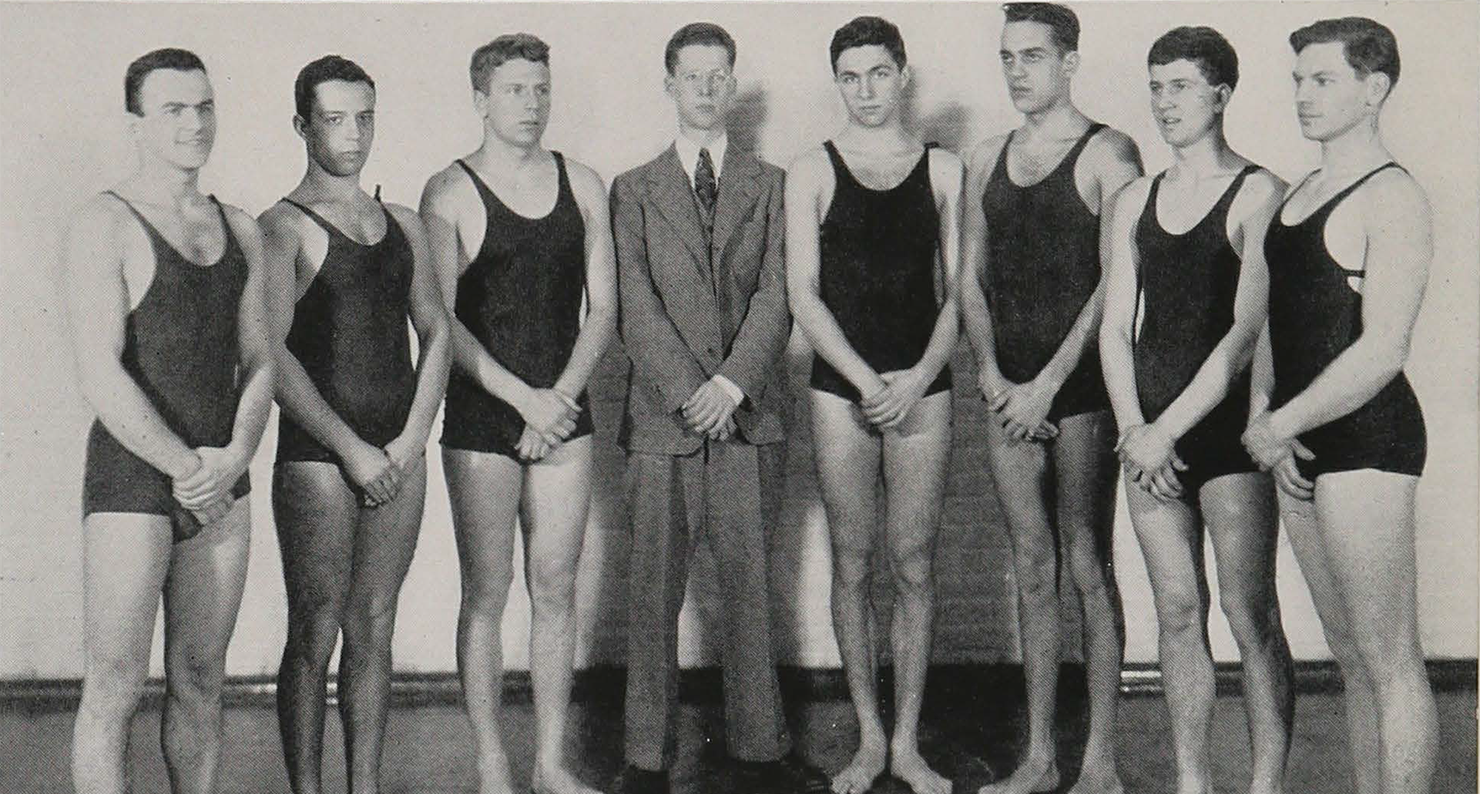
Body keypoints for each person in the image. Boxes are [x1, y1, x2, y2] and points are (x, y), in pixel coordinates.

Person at [609, 22, 827, 794]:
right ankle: (646, 753)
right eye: (691, 75)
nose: (705, 88)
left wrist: (730, 385)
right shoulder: (631, 189)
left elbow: (779, 295)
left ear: (733, 84)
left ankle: (761, 747)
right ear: (668, 84)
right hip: (664, 426)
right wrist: (687, 391)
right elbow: (634, 304)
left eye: (718, 75)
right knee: (651, 595)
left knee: (751, 587)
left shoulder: (772, 186)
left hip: (748, 416)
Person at [65, 47, 274, 794]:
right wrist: (189, 471)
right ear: (137, 123)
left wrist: (235, 455)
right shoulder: (104, 222)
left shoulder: (242, 228)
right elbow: (99, 372)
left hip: (222, 477)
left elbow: (261, 360)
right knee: (114, 686)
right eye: (174, 109)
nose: (195, 124)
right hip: (136, 478)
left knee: (200, 679)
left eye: (205, 106)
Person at [1243, 17, 1436, 794]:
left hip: (1367, 440)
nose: (1302, 94)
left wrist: (1280, 424)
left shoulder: (1394, 197)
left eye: (1322, 79)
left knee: (1390, 656)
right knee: (1350, 652)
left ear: (1374, 88)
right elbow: (1270, 327)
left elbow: (1383, 348)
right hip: (1294, 444)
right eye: (1297, 79)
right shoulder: (1299, 194)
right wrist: (1269, 416)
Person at [419, 33, 616, 794]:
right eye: (514, 91)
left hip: (563, 411)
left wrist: (558, 398)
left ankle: (551, 762)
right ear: (480, 100)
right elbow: (439, 320)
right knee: (488, 593)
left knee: (558, 587)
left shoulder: (584, 183)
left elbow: (603, 309)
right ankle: (493, 763)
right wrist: (523, 399)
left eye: (541, 89)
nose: (531, 104)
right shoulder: (450, 189)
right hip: (485, 417)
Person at [1099, 27, 1293, 794]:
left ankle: (1266, 782)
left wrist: (1165, 430)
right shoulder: (1134, 199)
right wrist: (1132, 430)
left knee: (1250, 614)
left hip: (1220, 433)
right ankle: (1191, 783)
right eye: (1156, 86)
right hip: (1145, 433)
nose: (1165, 102)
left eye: (1180, 86)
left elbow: (1246, 334)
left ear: (1221, 93)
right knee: (1178, 611)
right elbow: (1116, 326)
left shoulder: (1259, 192)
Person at [957, 4, 1142, 793]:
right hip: (1009, 389)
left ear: (1069, 62)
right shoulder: (986, 153)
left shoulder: (1110, 151)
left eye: (1033, 56)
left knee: (1086, 565)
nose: (1017, 71)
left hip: (1082, 391)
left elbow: (1115, 283)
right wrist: (994, 373)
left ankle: (1098, 759)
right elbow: (970, 274)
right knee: (1031, 569)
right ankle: (1039, 757)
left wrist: (1048, 385)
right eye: (1007, 57)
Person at [261, 55, 450, 794]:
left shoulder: (403, 222)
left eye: (364, 117)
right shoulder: (280, 227)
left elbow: (436, 331)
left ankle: (363, 787)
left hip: (398, 447)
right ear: (303, 125)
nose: (352, 134)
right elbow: (270, 354)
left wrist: (408, 441)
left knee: (375, 626)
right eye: (335, 119)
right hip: (320, 454)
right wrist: (351, 449)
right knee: (315, 628)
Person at [786, 16, 963, 794]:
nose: (865, 91)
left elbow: (962, 292)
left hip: (923, 383)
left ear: (902, 75)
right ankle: (866, 737)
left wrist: (920, 375)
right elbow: (804, 295)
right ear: (838, 82)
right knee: (854, 562)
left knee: (914, 562)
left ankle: (907, 743)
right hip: (843, 386)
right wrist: (864, 380)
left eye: (878, 74)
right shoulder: (812, 170)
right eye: (850, 77)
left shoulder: (946, 169)